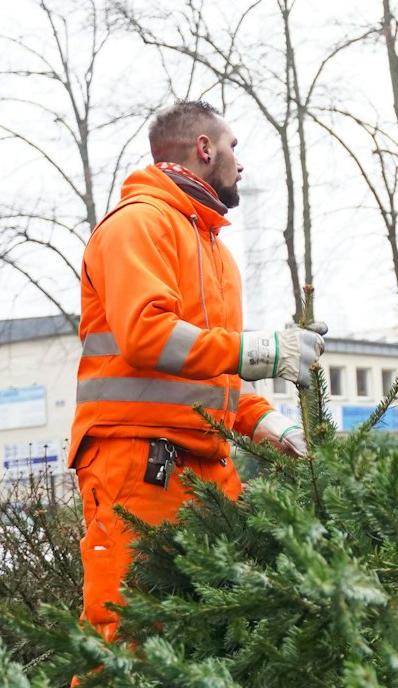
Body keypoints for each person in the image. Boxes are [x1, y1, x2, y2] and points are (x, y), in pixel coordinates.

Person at [69, 100, 324, 640]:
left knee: (214, 631)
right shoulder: (140, 224)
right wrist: (264, 351)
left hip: (204, 463)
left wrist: (267, 423)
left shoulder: (213, 250)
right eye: (233, 147)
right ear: (205, 149)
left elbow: (211, 370)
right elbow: (148, 335)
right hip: (136, 459)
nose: (240, 163)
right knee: (130, 634)